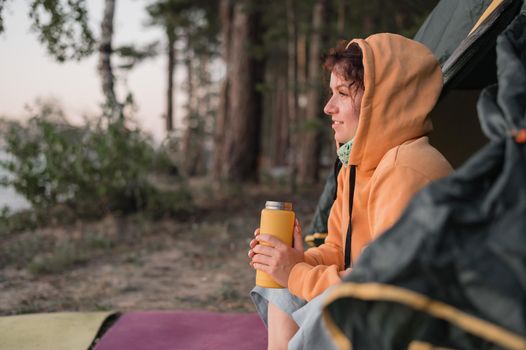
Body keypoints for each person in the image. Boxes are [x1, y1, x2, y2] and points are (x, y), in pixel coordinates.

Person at [248, 33, 453, 350]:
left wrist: (298, 272)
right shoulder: (356, 164)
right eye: (331, 94)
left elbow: (386, 283)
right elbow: (338, 249)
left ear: (381, 101)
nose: (328, 107)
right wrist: (293, 261)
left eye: (342, 94)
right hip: (379, 304)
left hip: (427, 321)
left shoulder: (405, 168)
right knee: (280, 284)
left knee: (328, 308)